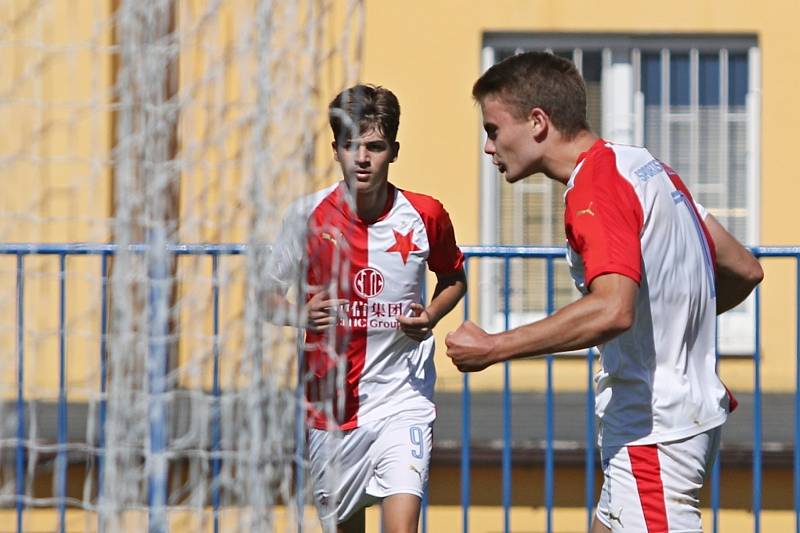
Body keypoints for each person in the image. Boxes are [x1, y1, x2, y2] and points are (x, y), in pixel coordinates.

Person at [445, 52, 763, 533]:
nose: (488, 147)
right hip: (667, 420)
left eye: (492, 129)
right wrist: (673, 324)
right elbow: (743, 268)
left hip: (655, 429)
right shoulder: (645, 166)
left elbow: (613, 309)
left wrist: (494, 347)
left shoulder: (594, 186)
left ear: (537, 122)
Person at [264, 84, 467, 533]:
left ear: (394, 151)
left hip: (403, 400)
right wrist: (301, 315)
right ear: (335, 149)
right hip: (331, 409)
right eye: (352, 145)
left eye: (374, 147)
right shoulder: (306, 216)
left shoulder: (426, 214)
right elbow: (266, 296)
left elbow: (453, 279)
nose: (362, 157)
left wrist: (430, 316)